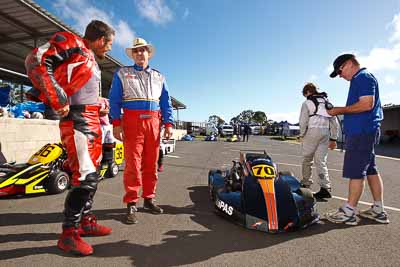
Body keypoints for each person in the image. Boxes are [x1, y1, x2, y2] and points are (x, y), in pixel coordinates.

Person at [25, 20, 115, 256]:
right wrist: (58, 98)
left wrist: (100, 105)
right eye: (110, 44)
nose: (110, 49)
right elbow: (35, 60)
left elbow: (81, 88)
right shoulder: (73, 42)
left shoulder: (91, 59)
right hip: (77, 121)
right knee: (85, 177)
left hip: (93, 120)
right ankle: (69, 235)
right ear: (99, 39)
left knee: (92, 176)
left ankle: (85, 222)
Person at [109, 37, 174, 225]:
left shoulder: (159, 76)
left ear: (148, 53)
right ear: (133, 55)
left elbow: (165, 102)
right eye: (136, 51)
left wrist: (168, 124)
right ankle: (131, 202)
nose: (139, 54)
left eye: (142, 50)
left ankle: (149, 199)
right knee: (132, 164)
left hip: (154, 122)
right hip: (131, 120)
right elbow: (114, 100)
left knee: (151, 163)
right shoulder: (122, 73)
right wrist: (116, 123)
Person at [325, 53, 389, 225]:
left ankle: (349, 211)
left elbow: (367, 103)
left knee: (356, 171)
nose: (340, 76)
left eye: (339, 71)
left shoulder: (362, 77)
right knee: (370, 170)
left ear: (349, 64)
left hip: (362, 131)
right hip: (365, 131)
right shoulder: (361, 79)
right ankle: (378, 209)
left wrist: (339, 110)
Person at [298, 82, 339, 199]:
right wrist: (334, 138)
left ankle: (306, 183)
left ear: (307, 92)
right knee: (321, 161)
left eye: (305, 94)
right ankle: (325, 188)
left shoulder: (307, 103)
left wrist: (302, 135)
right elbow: (334, 122)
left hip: (312, 132)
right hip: (325, 133)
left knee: (307, 159)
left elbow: (303, 121)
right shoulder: (327, 102)